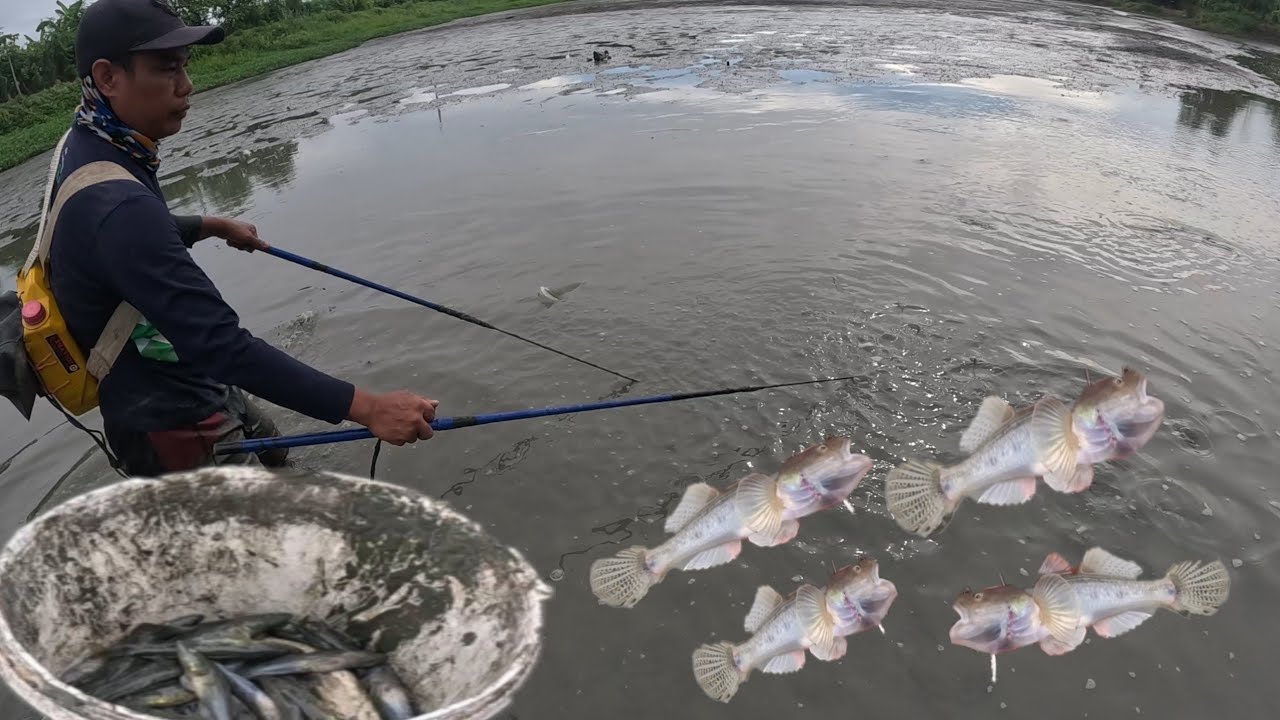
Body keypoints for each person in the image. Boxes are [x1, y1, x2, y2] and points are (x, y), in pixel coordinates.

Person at [48, 0, 438, 476]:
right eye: (167, 69)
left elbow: (114, 243)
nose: (187, 86)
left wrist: (209, 226)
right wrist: (367, 407)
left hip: (182, 368)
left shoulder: (89, 142)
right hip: (170, 421)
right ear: (108, 77)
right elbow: (221, 345)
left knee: (272, 447)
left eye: (185, 67)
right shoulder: (118, 205)